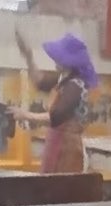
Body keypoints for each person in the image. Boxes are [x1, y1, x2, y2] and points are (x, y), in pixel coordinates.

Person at [12, 31, 98, 174]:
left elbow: (56, 116)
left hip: (68, 148)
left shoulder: (75, 85)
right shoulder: (63, 79)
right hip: (55, 142)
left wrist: (25, 115)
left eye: (59, 57)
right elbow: (40, 82)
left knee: (61, 185)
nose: (55, 60)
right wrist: (29, 57)